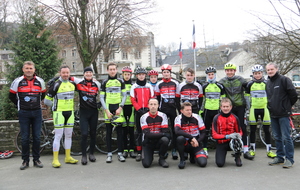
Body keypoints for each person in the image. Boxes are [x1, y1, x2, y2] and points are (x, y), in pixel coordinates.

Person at [9, 61, 46, 170]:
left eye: (31, 68)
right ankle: (25, 161)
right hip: (24, 113)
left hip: (37, 112)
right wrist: (20, 105)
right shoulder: (17, 81)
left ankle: (36, 159)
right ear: (23, 70)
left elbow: (42, 94)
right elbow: (11, 96)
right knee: (24, 138)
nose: (29, 70)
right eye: (27, 68)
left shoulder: (40, 81)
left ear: (34, 70)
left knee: (37, 137)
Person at [44, 65, 78, 168]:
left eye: (67, 73)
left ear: (70, 73)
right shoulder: (56, 85)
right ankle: (55, 160)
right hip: (59, 113)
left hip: (70, 112)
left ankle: (68, 157)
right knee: (58, 136)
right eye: (63, 73)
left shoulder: (72, 84)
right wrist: (55, 106)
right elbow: (46, 101)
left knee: (68, 136)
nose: (65, 75)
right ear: (60, 73)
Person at [266, 62, 298, 168]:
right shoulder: (268, 82)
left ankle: (289, 159)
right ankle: (279, 157)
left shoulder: (284, 80)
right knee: (277, 137)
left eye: (271, 69)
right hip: (273, 114)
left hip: (283, 114)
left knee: (286, 137)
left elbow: (293, 95)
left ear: (276, 69)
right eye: (268, 70)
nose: (270, 71)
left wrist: (287, 106)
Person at [219, 63, 253, 160]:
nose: (229, 72)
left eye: (231, 70)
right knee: (231, 128)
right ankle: (235, 148)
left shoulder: (240, 79)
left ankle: (246, 150)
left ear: (234, 71)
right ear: (225, 71)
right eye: (227, 70)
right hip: (229, 107)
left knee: (242, 127)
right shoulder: (222, 81)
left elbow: (249, 86)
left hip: (240, 106)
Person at [245, 65, 276, 158]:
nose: (257, 75)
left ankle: (269, 150)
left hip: (264, 109)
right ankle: (252, 149)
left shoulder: (267, 83)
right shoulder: (250, 84)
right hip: (253, 109)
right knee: (252, 130)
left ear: (262, 73)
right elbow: (247, 97)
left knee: (267, 130)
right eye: (255, 74)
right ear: (253, 74)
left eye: (259, 73)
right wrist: (248, 108)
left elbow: (271, 96)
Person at [72, 67, 101, 165]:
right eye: (86, 72)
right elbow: (68, 76)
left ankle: (91, 153)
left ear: (92, 74)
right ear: (84, 74)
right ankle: (84, 155)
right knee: (84, 134)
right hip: (83, 112)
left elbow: (102, 94)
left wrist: (100, 103)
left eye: (90, 72)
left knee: (93, 133)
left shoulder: (97, 84)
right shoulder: (79, 83)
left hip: (94, 112)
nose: (88, 74)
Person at [100, 62, 127, 163]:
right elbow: (101, 97)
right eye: (110, 69)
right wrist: (106, 110)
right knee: (108, 132)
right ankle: (109, 153)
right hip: (108, 109)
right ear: (107, 71)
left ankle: (120, 153)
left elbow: (124, 96)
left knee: (120, 132)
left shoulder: (121, 81)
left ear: (116, 70)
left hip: (118, 109)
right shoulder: (104, 82)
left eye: (114, 69)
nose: (112, 71)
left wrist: (120, 107)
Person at [155, 64, 180, 160]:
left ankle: (174, 149)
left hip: (173, 109)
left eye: (167, 72)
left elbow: (177, 98)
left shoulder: (175, 83)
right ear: (162, 73)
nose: (166, 74)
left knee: (174, 130)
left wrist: (179, 110)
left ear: (170, 73)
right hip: (163, 109)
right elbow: (157, 98)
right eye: (164, 72)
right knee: (163, 129)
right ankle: (164, 150)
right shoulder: (159, 84)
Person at [130, 67, 154, 161]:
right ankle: (139, 152)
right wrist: (139, 109)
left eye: (143, 74)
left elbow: (152, 97)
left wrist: (148, 108)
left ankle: (148, 150)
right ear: (136, 76)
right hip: (138, 112)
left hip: (148, 111)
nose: (141, 76)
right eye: (139, 75)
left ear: (145, 75)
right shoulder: (134, 86)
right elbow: (132, 99)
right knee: (139, 132)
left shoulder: (149, 86)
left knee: (148, 131)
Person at [174, 102, 207, 169]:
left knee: (203, 163)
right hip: (186, 142)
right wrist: (191, 137)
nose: (189, 112)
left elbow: (203, 132)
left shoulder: (197, 117)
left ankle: (193, 156)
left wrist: (198, 141)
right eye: (187, 110)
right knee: (180, 138)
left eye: (190, 110)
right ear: (181, 111)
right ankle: (182, 160)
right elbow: (177, 131)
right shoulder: (178, 118)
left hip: (196, 142)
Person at [212, 98, 243, 167]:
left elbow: (239, 131)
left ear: (231, 107)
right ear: (221, 107)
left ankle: (237, 156)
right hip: (221, 142)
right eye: (224, 107)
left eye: (227, 107)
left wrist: (238, 135)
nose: (225, 108)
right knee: (220, 164)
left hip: (232, 142)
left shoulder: (235, 118)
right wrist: (227, 136)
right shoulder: (216, 118)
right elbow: (214, 135)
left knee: (238, 141)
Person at [201, 66, 225, 156]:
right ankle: (205, 148)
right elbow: (202, 100)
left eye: (212, 74)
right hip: (207, 110)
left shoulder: (220, 86)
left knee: (218, 130)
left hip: (217, 111)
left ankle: (220, 148)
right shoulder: (204, 86)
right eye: (209, 75)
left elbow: (223, 99)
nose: (210, 76)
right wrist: (201, 111)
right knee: (206, 130)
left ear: (215, 74)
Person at [140, 98, 170, 168]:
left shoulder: (163, 116)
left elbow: (165, 131)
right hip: (148, 142)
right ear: (148, 106)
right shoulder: (143, 117)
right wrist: (162, 134)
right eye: (151, 104)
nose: (153, 106)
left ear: (158, 106)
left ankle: (162, 159)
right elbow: (147, 134)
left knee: (165, 140)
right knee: (146, 164)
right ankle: (149, 155)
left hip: (159, 141)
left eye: (155, 104)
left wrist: (162, 134)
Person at [121, 66, 137, 159]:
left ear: (131, 75)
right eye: (125, 74)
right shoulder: (120, 84)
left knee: (131, 130)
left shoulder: (133, 85)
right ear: (122, 75)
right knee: (124, 130)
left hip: (131, 107)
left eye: (128, 74)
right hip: (122, 107)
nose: (127, 76)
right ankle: (125, 149)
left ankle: (131, 149)